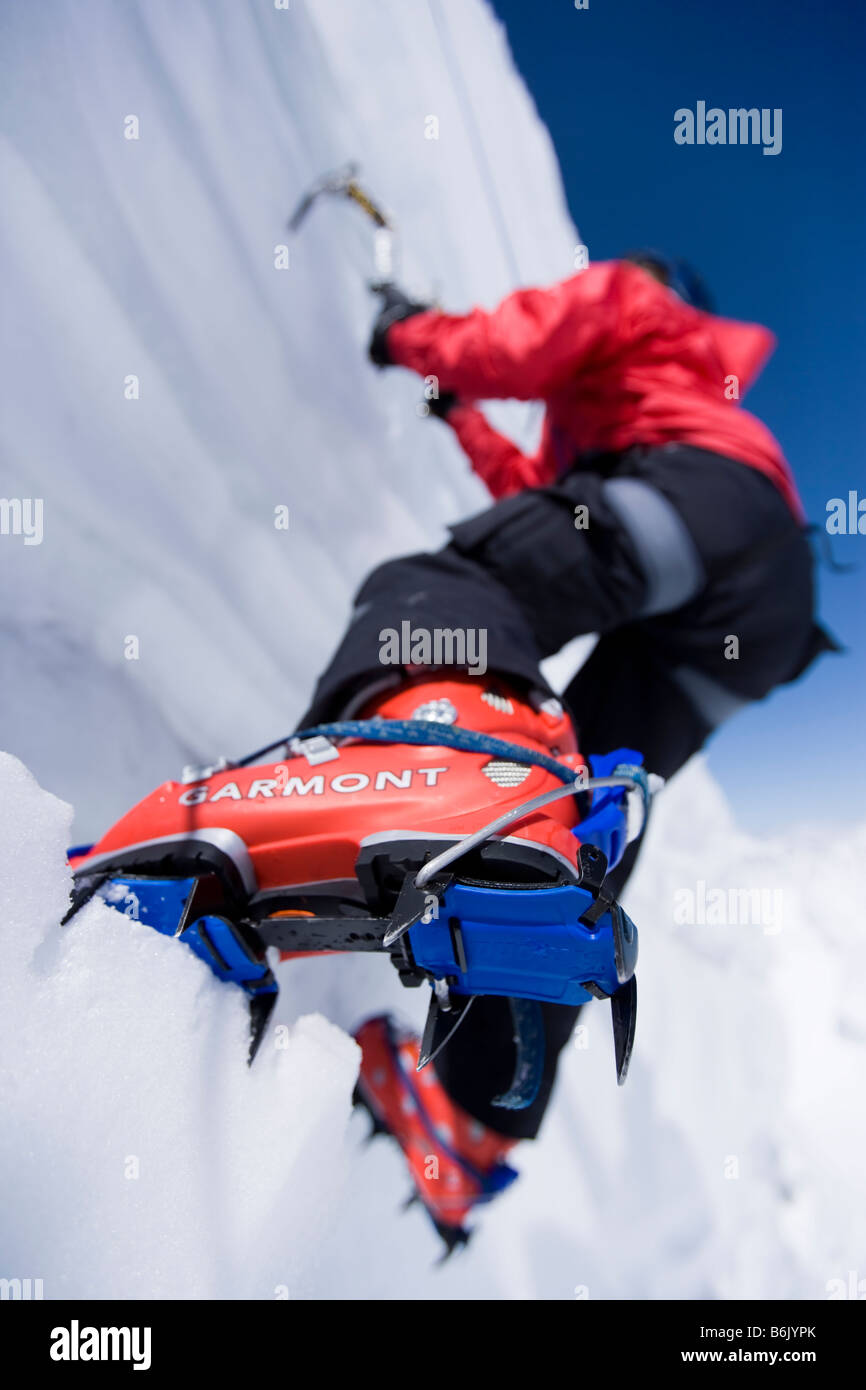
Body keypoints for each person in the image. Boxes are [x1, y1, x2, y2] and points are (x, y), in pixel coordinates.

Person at [299, 254, 834, 1250]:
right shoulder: (680, 388)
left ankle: (364, 765)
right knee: (571, 817)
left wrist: (407, 335)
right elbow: (547, 501)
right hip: (759, 599)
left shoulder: (629, 300)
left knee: (448, 588)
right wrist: (457, 415)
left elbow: (513, 345)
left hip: (686, 506)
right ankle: (467, 1125)